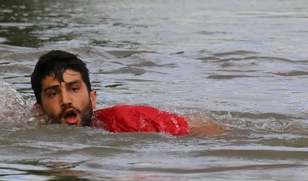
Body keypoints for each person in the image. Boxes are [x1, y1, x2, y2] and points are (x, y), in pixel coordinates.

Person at [30, 50, 223, 136]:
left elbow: (208, 128)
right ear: (39, 111)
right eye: (53, 94)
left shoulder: (126, 120)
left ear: (92, 98)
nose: (66, 100)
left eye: (74, 89)